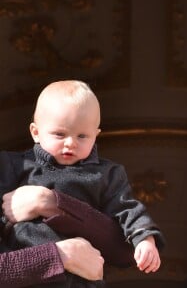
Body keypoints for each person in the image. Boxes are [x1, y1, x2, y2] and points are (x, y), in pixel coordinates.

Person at [0, 80, 165, 288]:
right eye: (60, 134)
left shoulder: (106, 174)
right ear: (35, 132)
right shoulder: (14, 165)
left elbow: (127, 209)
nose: (71, 143)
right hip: (29, 273)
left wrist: (145, 238)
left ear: (95, 136)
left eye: (82, 136)